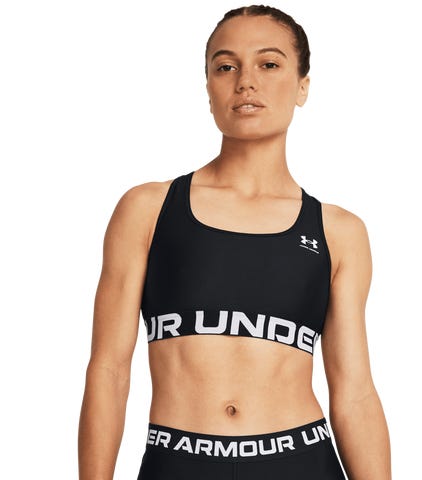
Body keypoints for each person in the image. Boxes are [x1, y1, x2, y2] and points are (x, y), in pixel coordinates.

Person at [78, 5, 391, 479]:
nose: (246, 82)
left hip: (301, 464)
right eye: (226, 67)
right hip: (177, 463)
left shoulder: (339, 232)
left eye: (269, 64)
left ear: (302, 86)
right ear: (208, 87)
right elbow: (109, 370)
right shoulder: (147, 210)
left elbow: (355, 393)